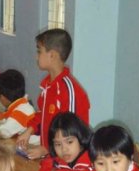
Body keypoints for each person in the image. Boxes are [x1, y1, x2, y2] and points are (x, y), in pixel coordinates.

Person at [17, 28, 90, 159]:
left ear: (52, 55)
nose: (36, 56)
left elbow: (72, 134)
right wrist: (29, 131)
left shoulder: (68, 90)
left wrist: (46, 150)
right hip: (52, 158)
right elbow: (42, 114)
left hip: (69, 163)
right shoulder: (47, 85)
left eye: (39, 51)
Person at [27, 112, 93, 171]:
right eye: (58, 144)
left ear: (81, 138)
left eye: (69, 142)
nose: (64, 149)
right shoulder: (60, 161)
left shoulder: (92, 159)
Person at [0, 69, 36, 139]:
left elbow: (2, 133)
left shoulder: (21, 111)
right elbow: (4, 121)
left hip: (29, 147)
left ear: (3, 97)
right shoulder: (21, 106)